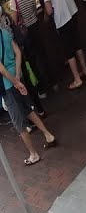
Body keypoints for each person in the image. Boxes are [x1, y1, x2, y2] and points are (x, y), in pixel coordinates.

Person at [0, 16, 57, 166]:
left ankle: (33, 154)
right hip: (17, 78)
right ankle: (48, 135)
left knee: (19, 123)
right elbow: (18, 53)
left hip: (8, 86)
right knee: (28, 110)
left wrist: (14, 82)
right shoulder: (5, 33)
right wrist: (18, 76)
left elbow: (1, 69)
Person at [36, 0, 86, 87]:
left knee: (69, 50)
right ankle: (85, 70)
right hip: (72, 11)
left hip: (62, 19)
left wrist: (46, 16)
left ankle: (77, 79)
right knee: (77, 43)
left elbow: (49, 10)